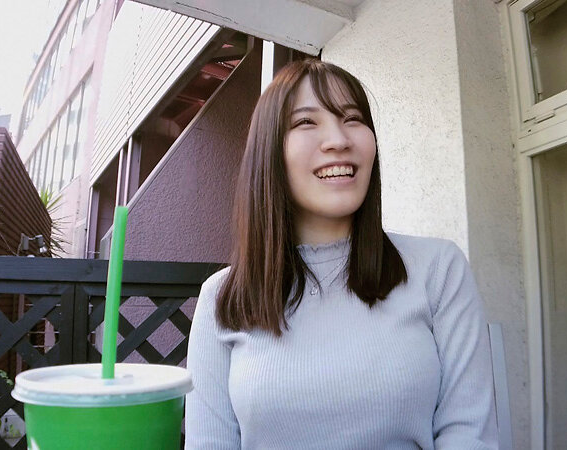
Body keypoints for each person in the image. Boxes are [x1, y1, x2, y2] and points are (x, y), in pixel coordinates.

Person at [185, 58, 498, 449]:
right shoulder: (222, 296)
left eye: (352, 118)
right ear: (269, 152)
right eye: (306, 122)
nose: (338, 139)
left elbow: (467, 433)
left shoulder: (438, 269)